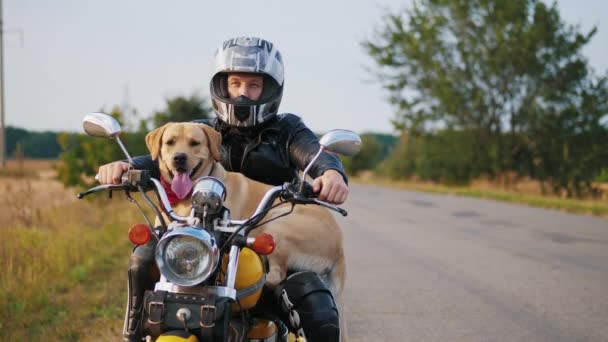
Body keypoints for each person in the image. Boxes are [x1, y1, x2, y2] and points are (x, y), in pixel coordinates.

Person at [98, 36, 347, 341]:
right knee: (145, 254)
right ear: (222, 86)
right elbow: (164, 158)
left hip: (280, 236)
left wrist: (332, 173)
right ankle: (136, 329)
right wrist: (124, 167)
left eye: (254, 85)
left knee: (313, 304)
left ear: (270, 90)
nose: (243, 93)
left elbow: (313, 153)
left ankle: (276, 309)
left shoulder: (288, 129)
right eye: (236, 83)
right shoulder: (201, 130)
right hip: (212, 247)